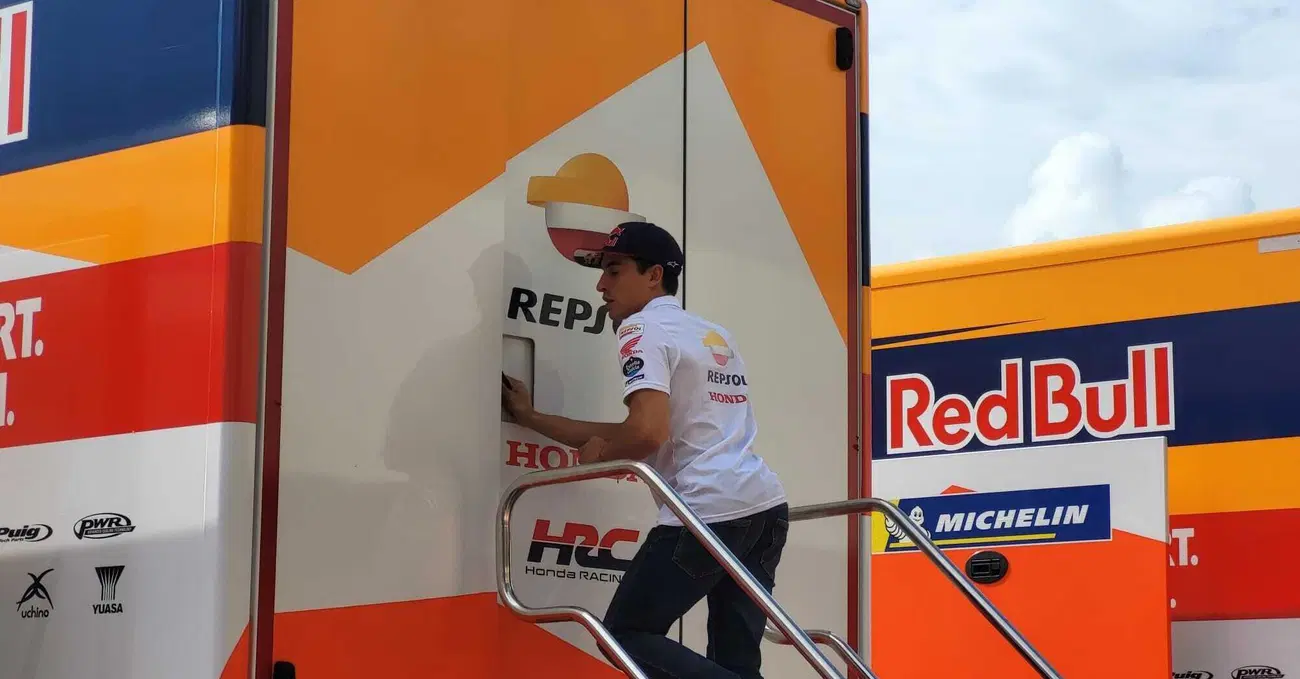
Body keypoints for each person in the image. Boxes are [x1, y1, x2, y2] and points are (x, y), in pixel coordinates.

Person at [501, 221, 789, 679]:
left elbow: (646, 433)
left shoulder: (641, 328)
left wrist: (599, 457)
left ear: (654, 275)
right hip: (764, 507)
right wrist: (533, 418)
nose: (601, 285)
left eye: (614, 271)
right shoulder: (713, 333)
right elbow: (642, 429)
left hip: (706, 509)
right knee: (735, 662)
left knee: (623, 634)